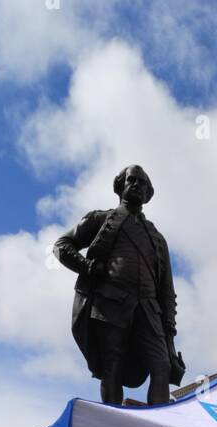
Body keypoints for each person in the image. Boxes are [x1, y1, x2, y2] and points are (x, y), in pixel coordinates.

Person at [54, 164, 184, 405]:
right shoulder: (101, 219)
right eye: (131, 180)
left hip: (149, 309)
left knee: (162, 365)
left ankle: (159, 426)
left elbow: (167, 290)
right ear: (120, 186)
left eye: (141, 183)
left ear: (148, 193)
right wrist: (88, 267)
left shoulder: (157, 239)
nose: (136, 185)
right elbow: (62, 245)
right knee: (111, 364)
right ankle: (112, 424)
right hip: (110, 303)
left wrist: (170, 335)